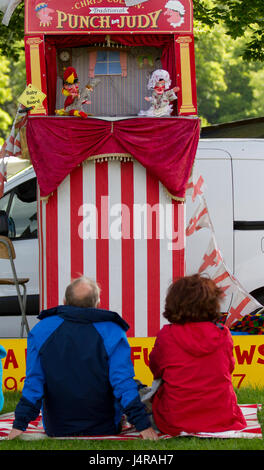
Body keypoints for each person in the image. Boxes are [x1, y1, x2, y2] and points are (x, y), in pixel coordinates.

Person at [8, 276, 158, 440]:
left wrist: (19, 426)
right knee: (133, 385)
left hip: (57, 428)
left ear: (64, 301)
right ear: (98, 303)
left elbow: (34, 382)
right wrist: (143, 425)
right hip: (105, 426)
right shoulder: (113, 331)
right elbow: (123, 384)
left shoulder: (41, 330)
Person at [149, 273, 247, 436]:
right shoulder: (223, 334)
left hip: (175, 420)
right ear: (213, 304)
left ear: (174, 303)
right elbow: (229, 368)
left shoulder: (167, 335)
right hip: (222, 417)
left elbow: (156, 369)